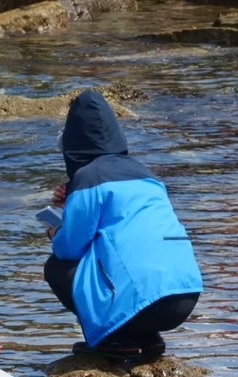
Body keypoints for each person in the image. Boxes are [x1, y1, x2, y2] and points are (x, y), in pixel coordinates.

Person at [43, 89, 204, 362]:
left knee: (57, 268)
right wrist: (72, 199)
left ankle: (115, 340)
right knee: (121, 259)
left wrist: (55, 231)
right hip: (185, 293)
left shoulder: (89, 176)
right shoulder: (145, 173)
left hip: (148, 301)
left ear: (73, 144)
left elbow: (71, 248)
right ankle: (148, 338)